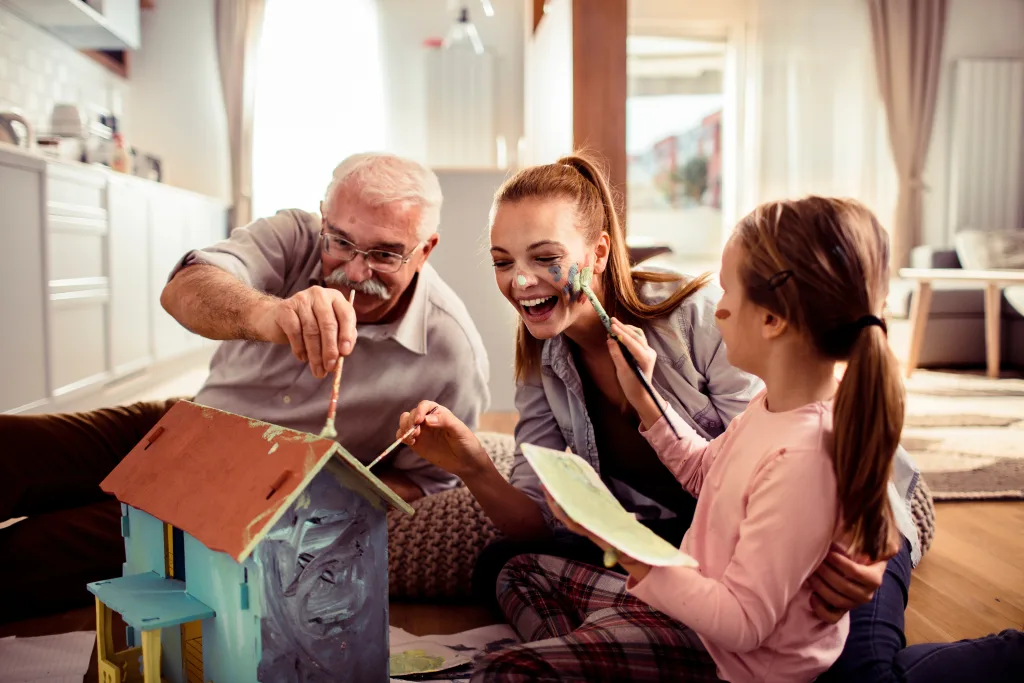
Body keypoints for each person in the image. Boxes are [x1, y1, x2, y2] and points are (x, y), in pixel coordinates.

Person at [395, 157, 1020, 681]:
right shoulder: (541, 356)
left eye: (544, 256)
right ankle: (619, 657)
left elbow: (810, 437)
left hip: (832, 533)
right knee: (503, 565)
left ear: (599, 251)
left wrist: (867, 548)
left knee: (858, 679)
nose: (519, 280)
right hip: (708, 552)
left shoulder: (708, 316)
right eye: (504, 261)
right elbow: (694, 474)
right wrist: (477, 465)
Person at [0, 152, 490, 624]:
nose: (355, 272)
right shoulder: (295, 235)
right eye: (340, 242)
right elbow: (183, 289)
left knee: (35, 554)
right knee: (14, 451)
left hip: (244, 497)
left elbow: (427, 481)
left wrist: (308, 502)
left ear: (426, 249)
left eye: (384, 254)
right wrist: (271, 314)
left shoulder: (451, 353)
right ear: (323, 219)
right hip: (187, 420)